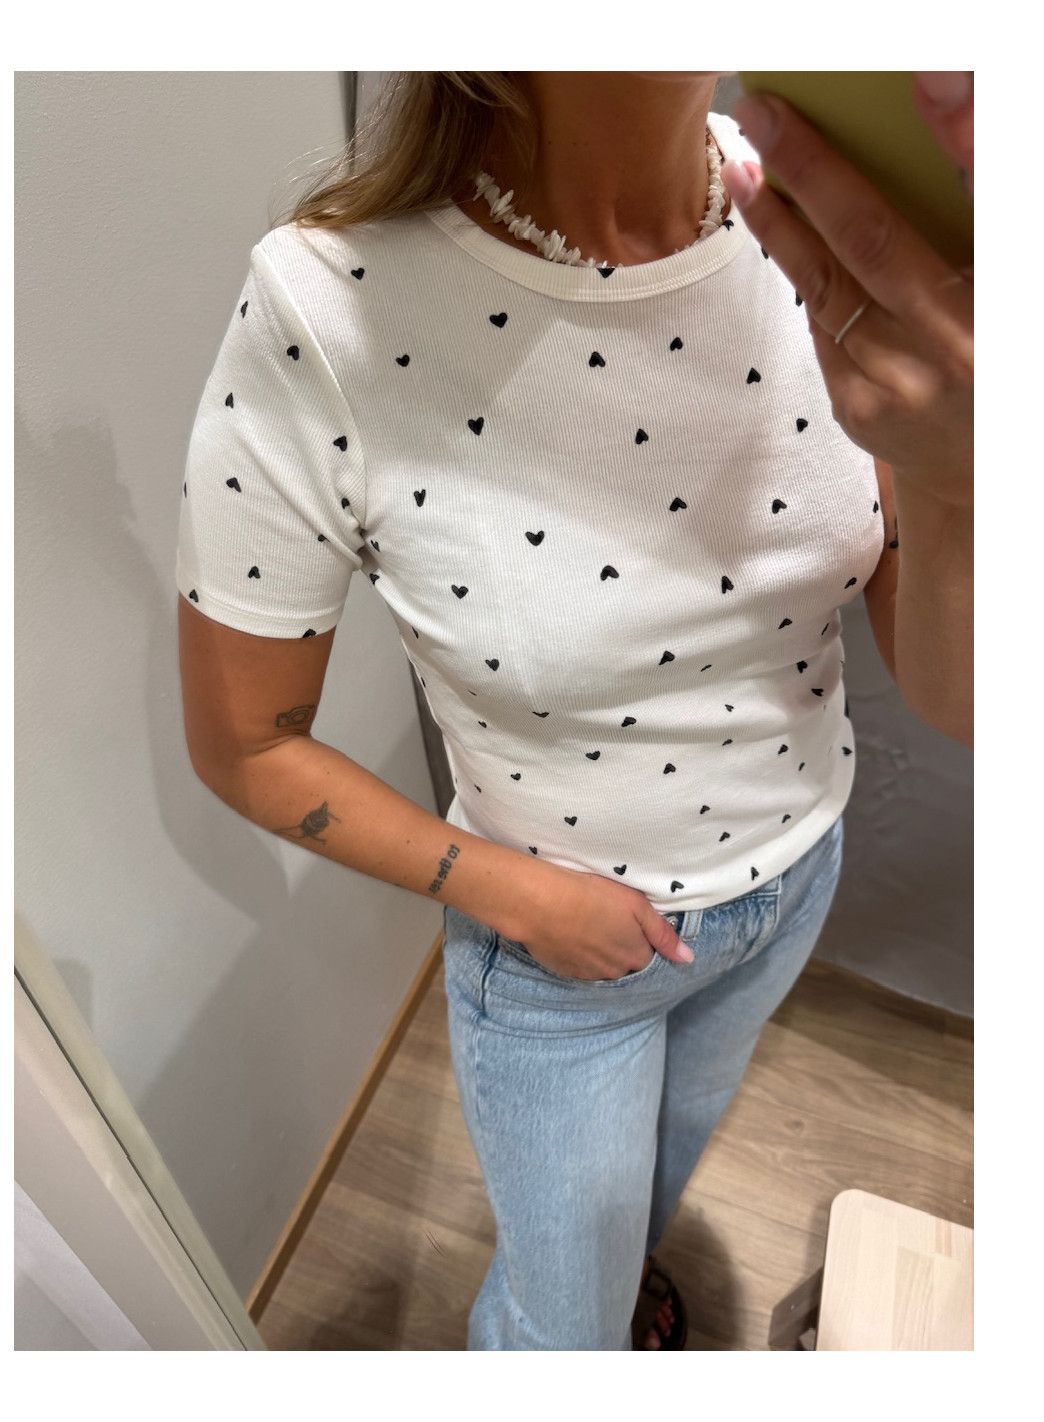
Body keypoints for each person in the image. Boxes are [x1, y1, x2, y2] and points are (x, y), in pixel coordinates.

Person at [176, 72, 972, 1350]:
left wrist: (962, 482)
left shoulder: (826, 231)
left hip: (789, 882)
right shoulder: (327, 306)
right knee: (559, 1332)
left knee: (650, 1190)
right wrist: (512, 895)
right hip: (554, 952)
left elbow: (960, 700)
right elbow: (245, 742)